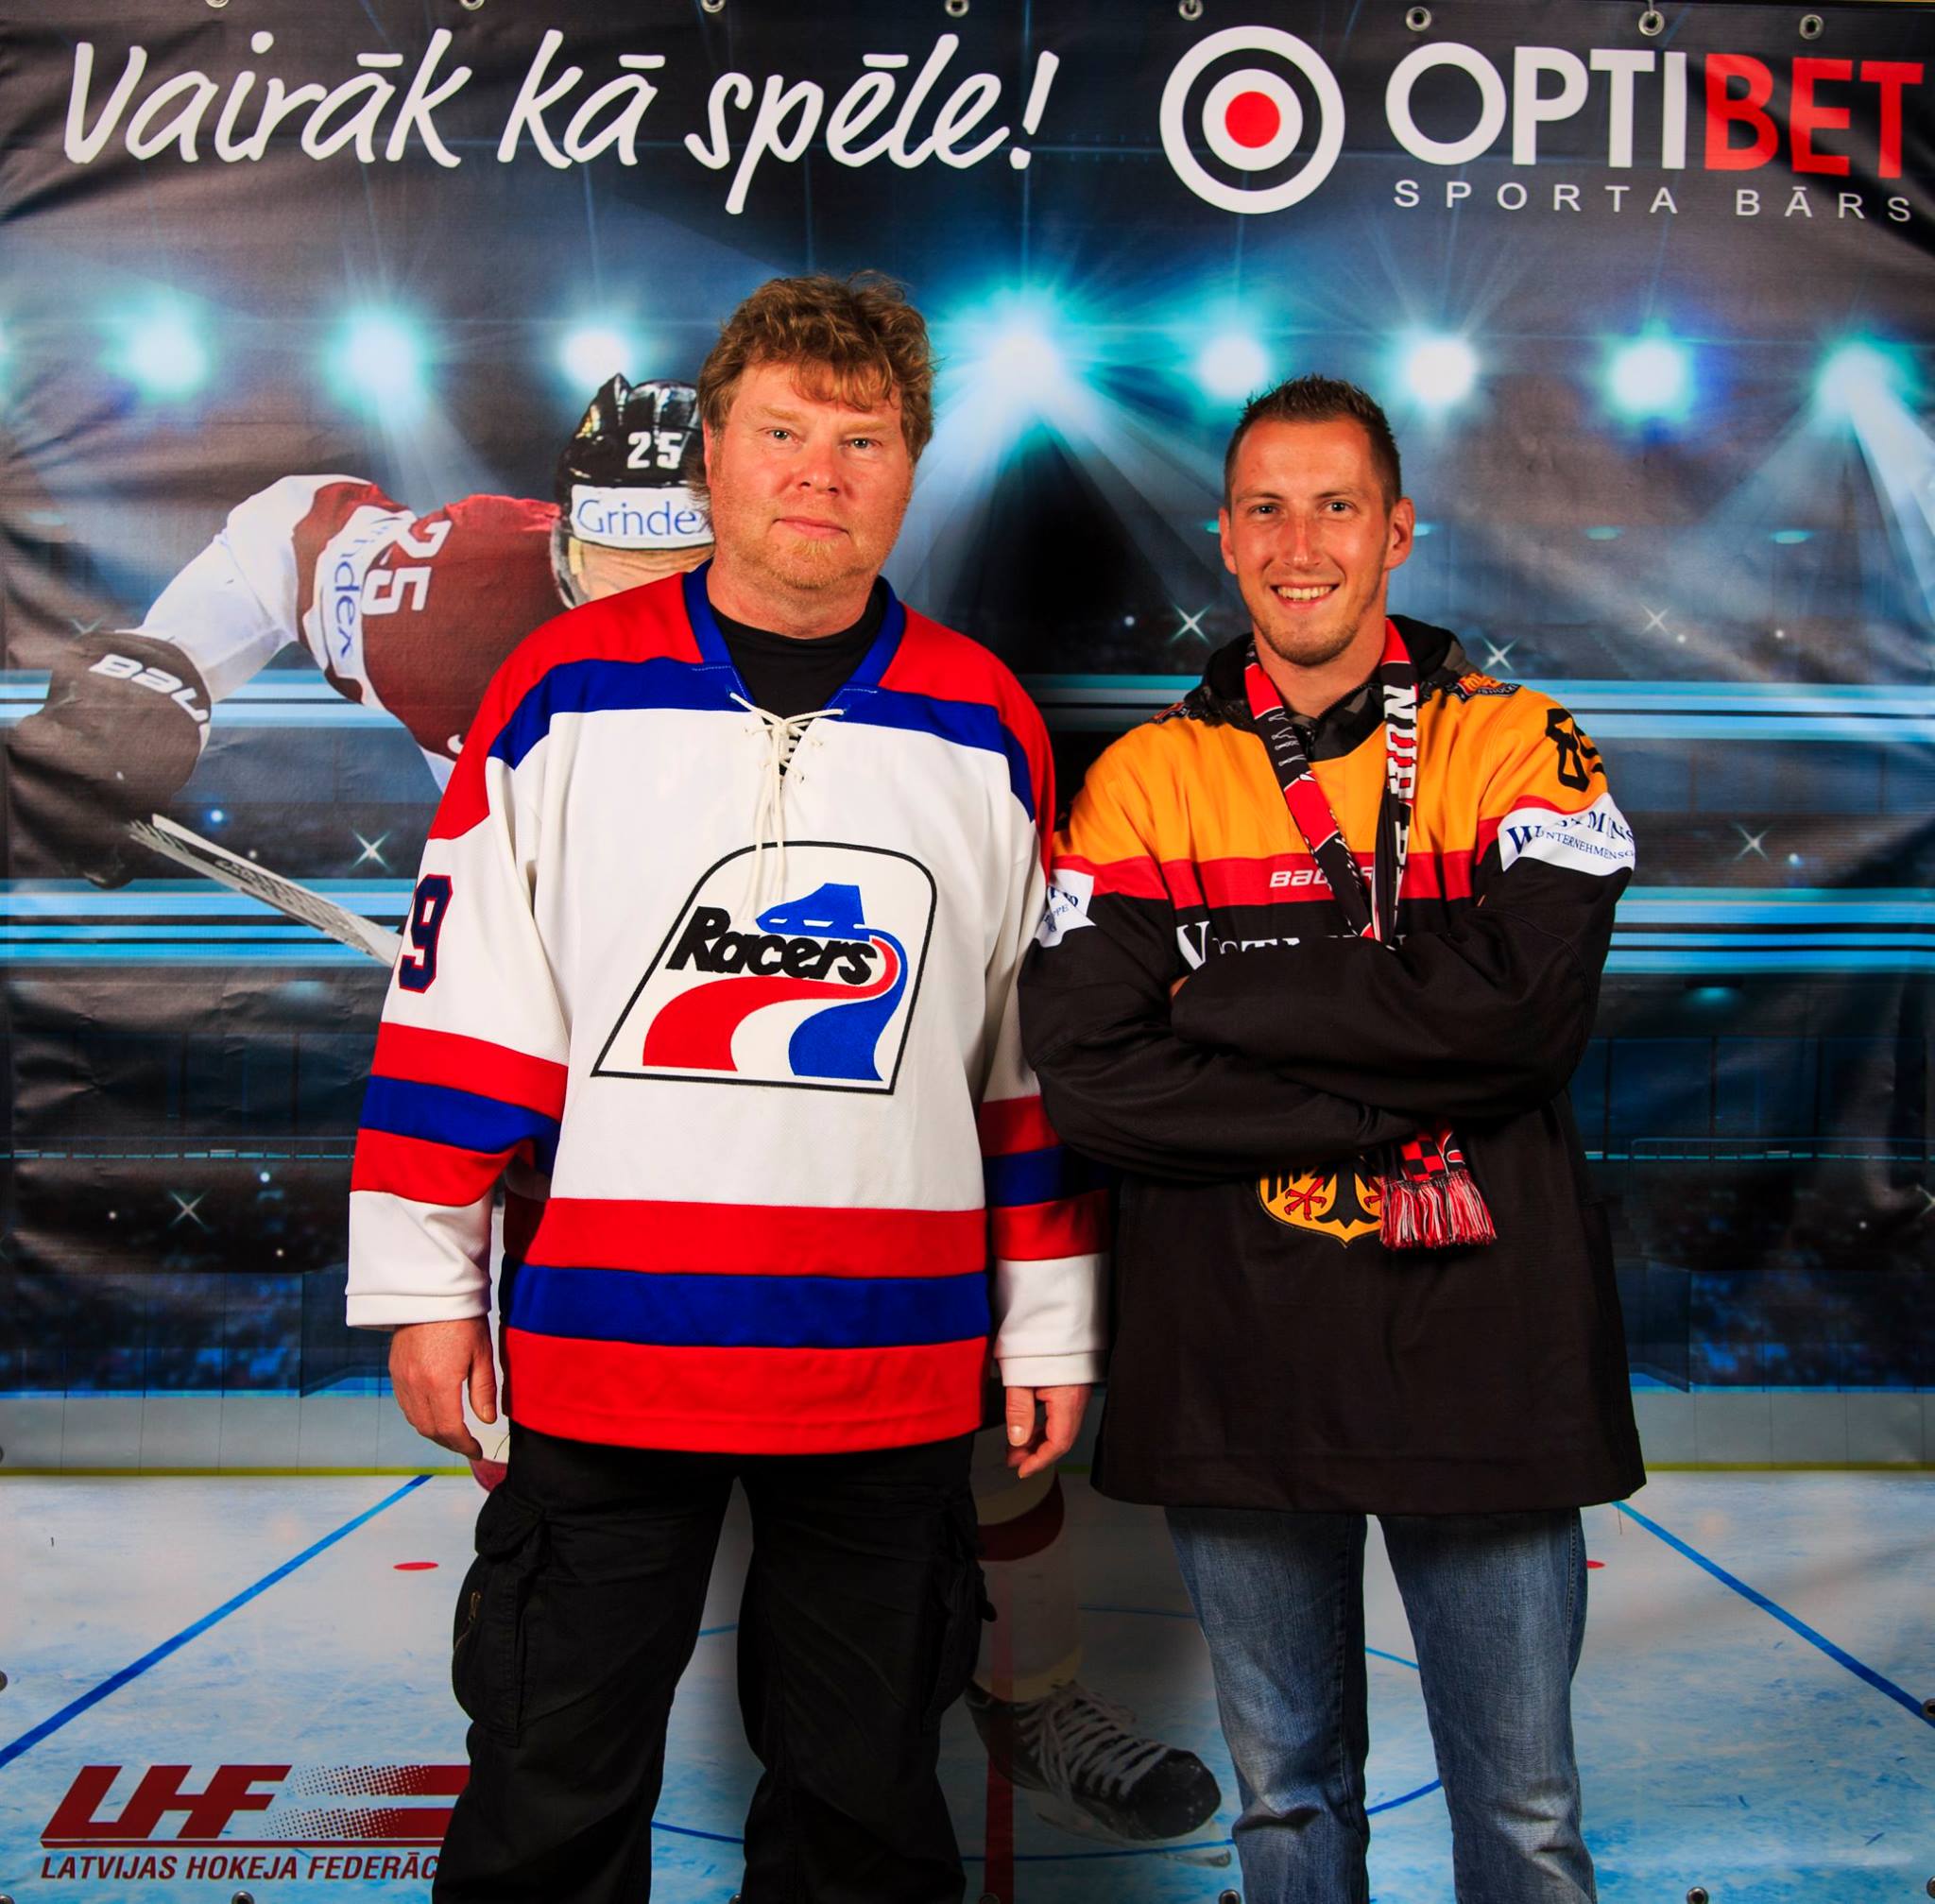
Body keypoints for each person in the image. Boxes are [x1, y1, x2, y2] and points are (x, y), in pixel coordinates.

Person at [6, 350, 1219, 1850]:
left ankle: (1025, 1691)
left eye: (677, 555)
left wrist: (1043, 1309)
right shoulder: (463, 601)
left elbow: (1012, 1040)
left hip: (851, 1150)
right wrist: (159, 669)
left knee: (948, 1460)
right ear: (560, 537)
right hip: (578, 1141)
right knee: (557, 1539)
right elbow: (282, 535)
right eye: (604, 560)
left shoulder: (933, 698)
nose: (643, 591)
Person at [347, 273, 1108, 1903]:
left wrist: (1049, 1321)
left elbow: (1021, 1061)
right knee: (549, 1796)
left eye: (863, 439)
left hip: (888, 1365)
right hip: (608, 1354)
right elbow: (465, 1011)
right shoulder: (558, 688)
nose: (819, 473)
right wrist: (424, 1284)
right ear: (712, 453)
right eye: (781, 432)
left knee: (862, 1810)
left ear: (910, 470)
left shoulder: (986, 722)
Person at [1019, 373, 1644, 1903]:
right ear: (1226, 539)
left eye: (1337, 508)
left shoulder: (1523, 742)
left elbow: (1523, 1020)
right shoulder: (1148, 778)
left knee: (1526, 1815)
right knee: (1287, 1809)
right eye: (1268, 510)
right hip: (1242, 1360)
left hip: (1483, 1360)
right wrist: (1399, 1086)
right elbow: (1093, 1078)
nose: (1302, 546)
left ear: (1398, 532)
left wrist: (1221, 990)